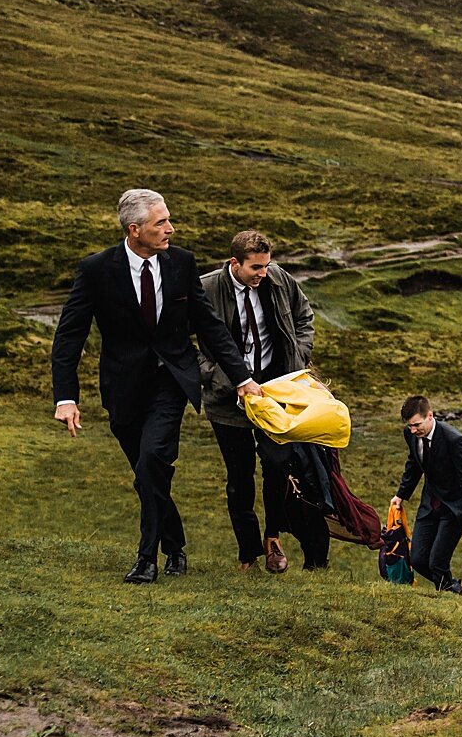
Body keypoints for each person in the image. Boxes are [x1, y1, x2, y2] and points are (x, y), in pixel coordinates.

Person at [51, 189, 259, 584]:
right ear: (134, 230)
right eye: (160, 222)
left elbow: (210, 327)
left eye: (168, 220)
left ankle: (147, 558)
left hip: (172, 381)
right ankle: (176, 545)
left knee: (152, 462)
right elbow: (69, 337)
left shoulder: (181, 263)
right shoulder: (96, 270)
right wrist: (66, 397)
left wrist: (243, 378)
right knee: (146, 472)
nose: (170, 228)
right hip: (123, 388)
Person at [197, 230, 319, 572]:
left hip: (276, 394)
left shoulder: (278, 278)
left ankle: (273, 537)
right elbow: (179, 343)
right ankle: (247, 552)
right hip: (226, 400)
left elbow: (304, 318)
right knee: (239, 478)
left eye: (266, 265)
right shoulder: (205, 289)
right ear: (234, 263)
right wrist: (218, 378)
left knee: (278, 465)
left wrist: (298, 355)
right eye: (255, 267)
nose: (262, 273)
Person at [388, 396, 462, 596]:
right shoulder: (411, 434)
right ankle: (454, 588)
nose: (413, 430)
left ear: (430, 416)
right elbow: (414, 464)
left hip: (454, 508)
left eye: (417, 425)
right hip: (430, 504)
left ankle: (448, 597)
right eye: (410, 426)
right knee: (418, 559)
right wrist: (401, 495)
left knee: (437, 562)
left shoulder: (454, 440)